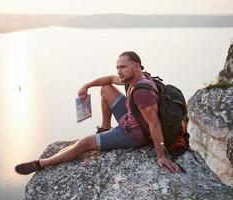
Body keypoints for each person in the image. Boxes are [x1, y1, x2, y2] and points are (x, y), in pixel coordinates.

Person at [15, 51, 182, 174]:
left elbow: (154, 123)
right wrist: (86, 86)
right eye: (117, 67)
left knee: (84, 144)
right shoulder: (137, 78)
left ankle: (41, 164)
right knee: (106, 89)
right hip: (133, 117)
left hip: (133, 134)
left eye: (123, 67)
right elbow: (108, 80)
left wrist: (161, 155)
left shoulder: (142, 93)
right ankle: (105, 127)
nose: (119, 71)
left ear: (136, 65)